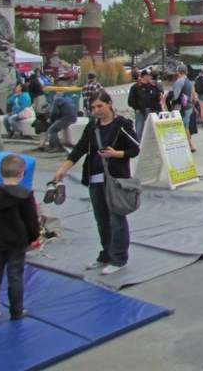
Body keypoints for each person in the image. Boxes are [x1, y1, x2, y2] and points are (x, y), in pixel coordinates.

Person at [52, 91, 140, 275]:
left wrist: (116, 153)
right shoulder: (92, 127)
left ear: (109, 104)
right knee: (101, 220)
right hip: (95, 178)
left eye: (100, 106)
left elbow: (135, 148)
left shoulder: (122, 125)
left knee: (116, 219)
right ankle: (106, 254)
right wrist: (63, 169)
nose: (96, 110)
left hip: (115, 179)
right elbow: (80, 148)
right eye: (93, 108)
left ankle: (119, 258)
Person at [0, 154, 39, 323]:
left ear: (0, 173)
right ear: (22, 173)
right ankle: (16, 310)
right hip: (17, 242)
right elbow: (31, 220)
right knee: (15, 276)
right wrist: (32, 238)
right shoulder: (26, 195)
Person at [128, 69, 161, 141]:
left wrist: (157, 107)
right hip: (140, 110)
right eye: (149, 75)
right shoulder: (135, 87)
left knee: (152, 128)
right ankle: (138, 143)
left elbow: (157, 97)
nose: (151, 77)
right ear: (145, 76)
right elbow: (131, 100)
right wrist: (136, 108)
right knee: (139, 128)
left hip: (151, 109)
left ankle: (152, 142)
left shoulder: (153, 86)